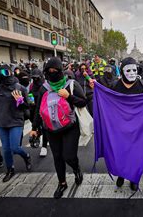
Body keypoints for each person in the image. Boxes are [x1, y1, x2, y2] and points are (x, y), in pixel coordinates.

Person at [93, 57, 143, 191]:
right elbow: (108, 100)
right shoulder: (115, 85)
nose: (132, 73)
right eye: (129, 70)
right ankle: (121, 173)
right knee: (120, 151)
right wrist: (96, 87)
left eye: (135, 70)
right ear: (122, 71)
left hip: (138, 128)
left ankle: (133, 177)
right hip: (119, 127)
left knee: (135, 153)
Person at [30, 57, 87, 199]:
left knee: (69, 156)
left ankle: (76, 168)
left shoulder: (71, 84)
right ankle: (62, 183)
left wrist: (69, 96)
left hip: (70, 127)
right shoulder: (45, 87)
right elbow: (38, 109)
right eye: (49, 71)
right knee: (57, 157)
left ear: (61, 71)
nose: (52, 73)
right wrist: (34, 127)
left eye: (55, 71)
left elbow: (83, 102)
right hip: (51, 129)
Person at [27, 68, 49, 157]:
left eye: (37, 78)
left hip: (44, 110)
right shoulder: (32, 86)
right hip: (34, 110)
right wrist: (31, 105)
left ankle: (44, 147)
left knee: (45, 128)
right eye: (34, 78)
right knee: (38, 128)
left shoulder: (45, 85)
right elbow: (30, 96)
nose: (36, 80)